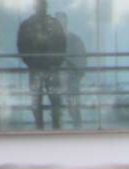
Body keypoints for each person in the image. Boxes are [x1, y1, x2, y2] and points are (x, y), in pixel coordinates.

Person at [17, 0, 66, 130]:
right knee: (36, 103)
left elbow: (62, 45)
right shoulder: (27, 25)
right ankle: (39, 128)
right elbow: (22, 46)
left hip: (51, 68)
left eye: (43, 5)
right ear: (35, 7)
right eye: (39, 5)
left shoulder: (55, 24)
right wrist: (32, 63)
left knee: (55, 100)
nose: (42, 8)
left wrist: (55, 63)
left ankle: (56, 127)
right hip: (37, 68)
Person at [56, 12, 87, 127]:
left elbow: (81, 61)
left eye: (62, 21)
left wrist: (76, 78)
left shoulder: (74, 40)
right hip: (55, 81)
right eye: (58, 22)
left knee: (73, 106)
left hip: (71, 81)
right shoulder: (51, 42)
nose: (60, 24)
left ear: (66, 23)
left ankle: (77, 128)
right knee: (55, 109)